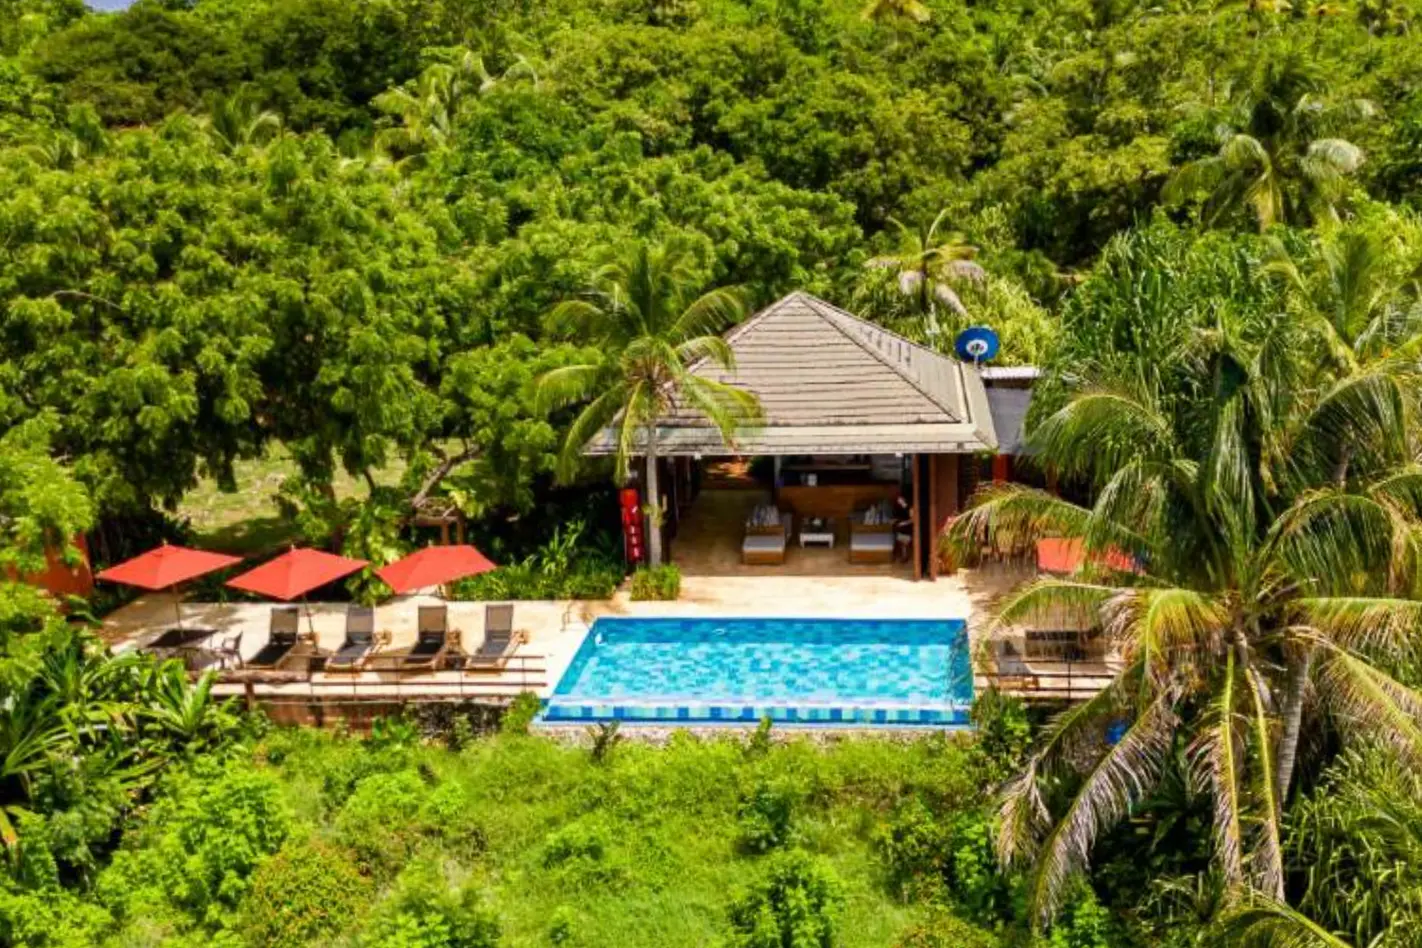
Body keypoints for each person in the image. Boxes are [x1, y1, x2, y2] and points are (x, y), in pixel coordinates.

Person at [892, 493, 913, 562]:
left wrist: (903, 523)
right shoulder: (899, 508)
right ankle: (903, 557)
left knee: (905, 543)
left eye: (900, 500)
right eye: (898, 501)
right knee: (902, 543)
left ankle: (905, 557)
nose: (899, 502)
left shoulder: (909, 508)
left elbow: (913, 519)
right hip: (901, 528)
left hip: (907, 528)